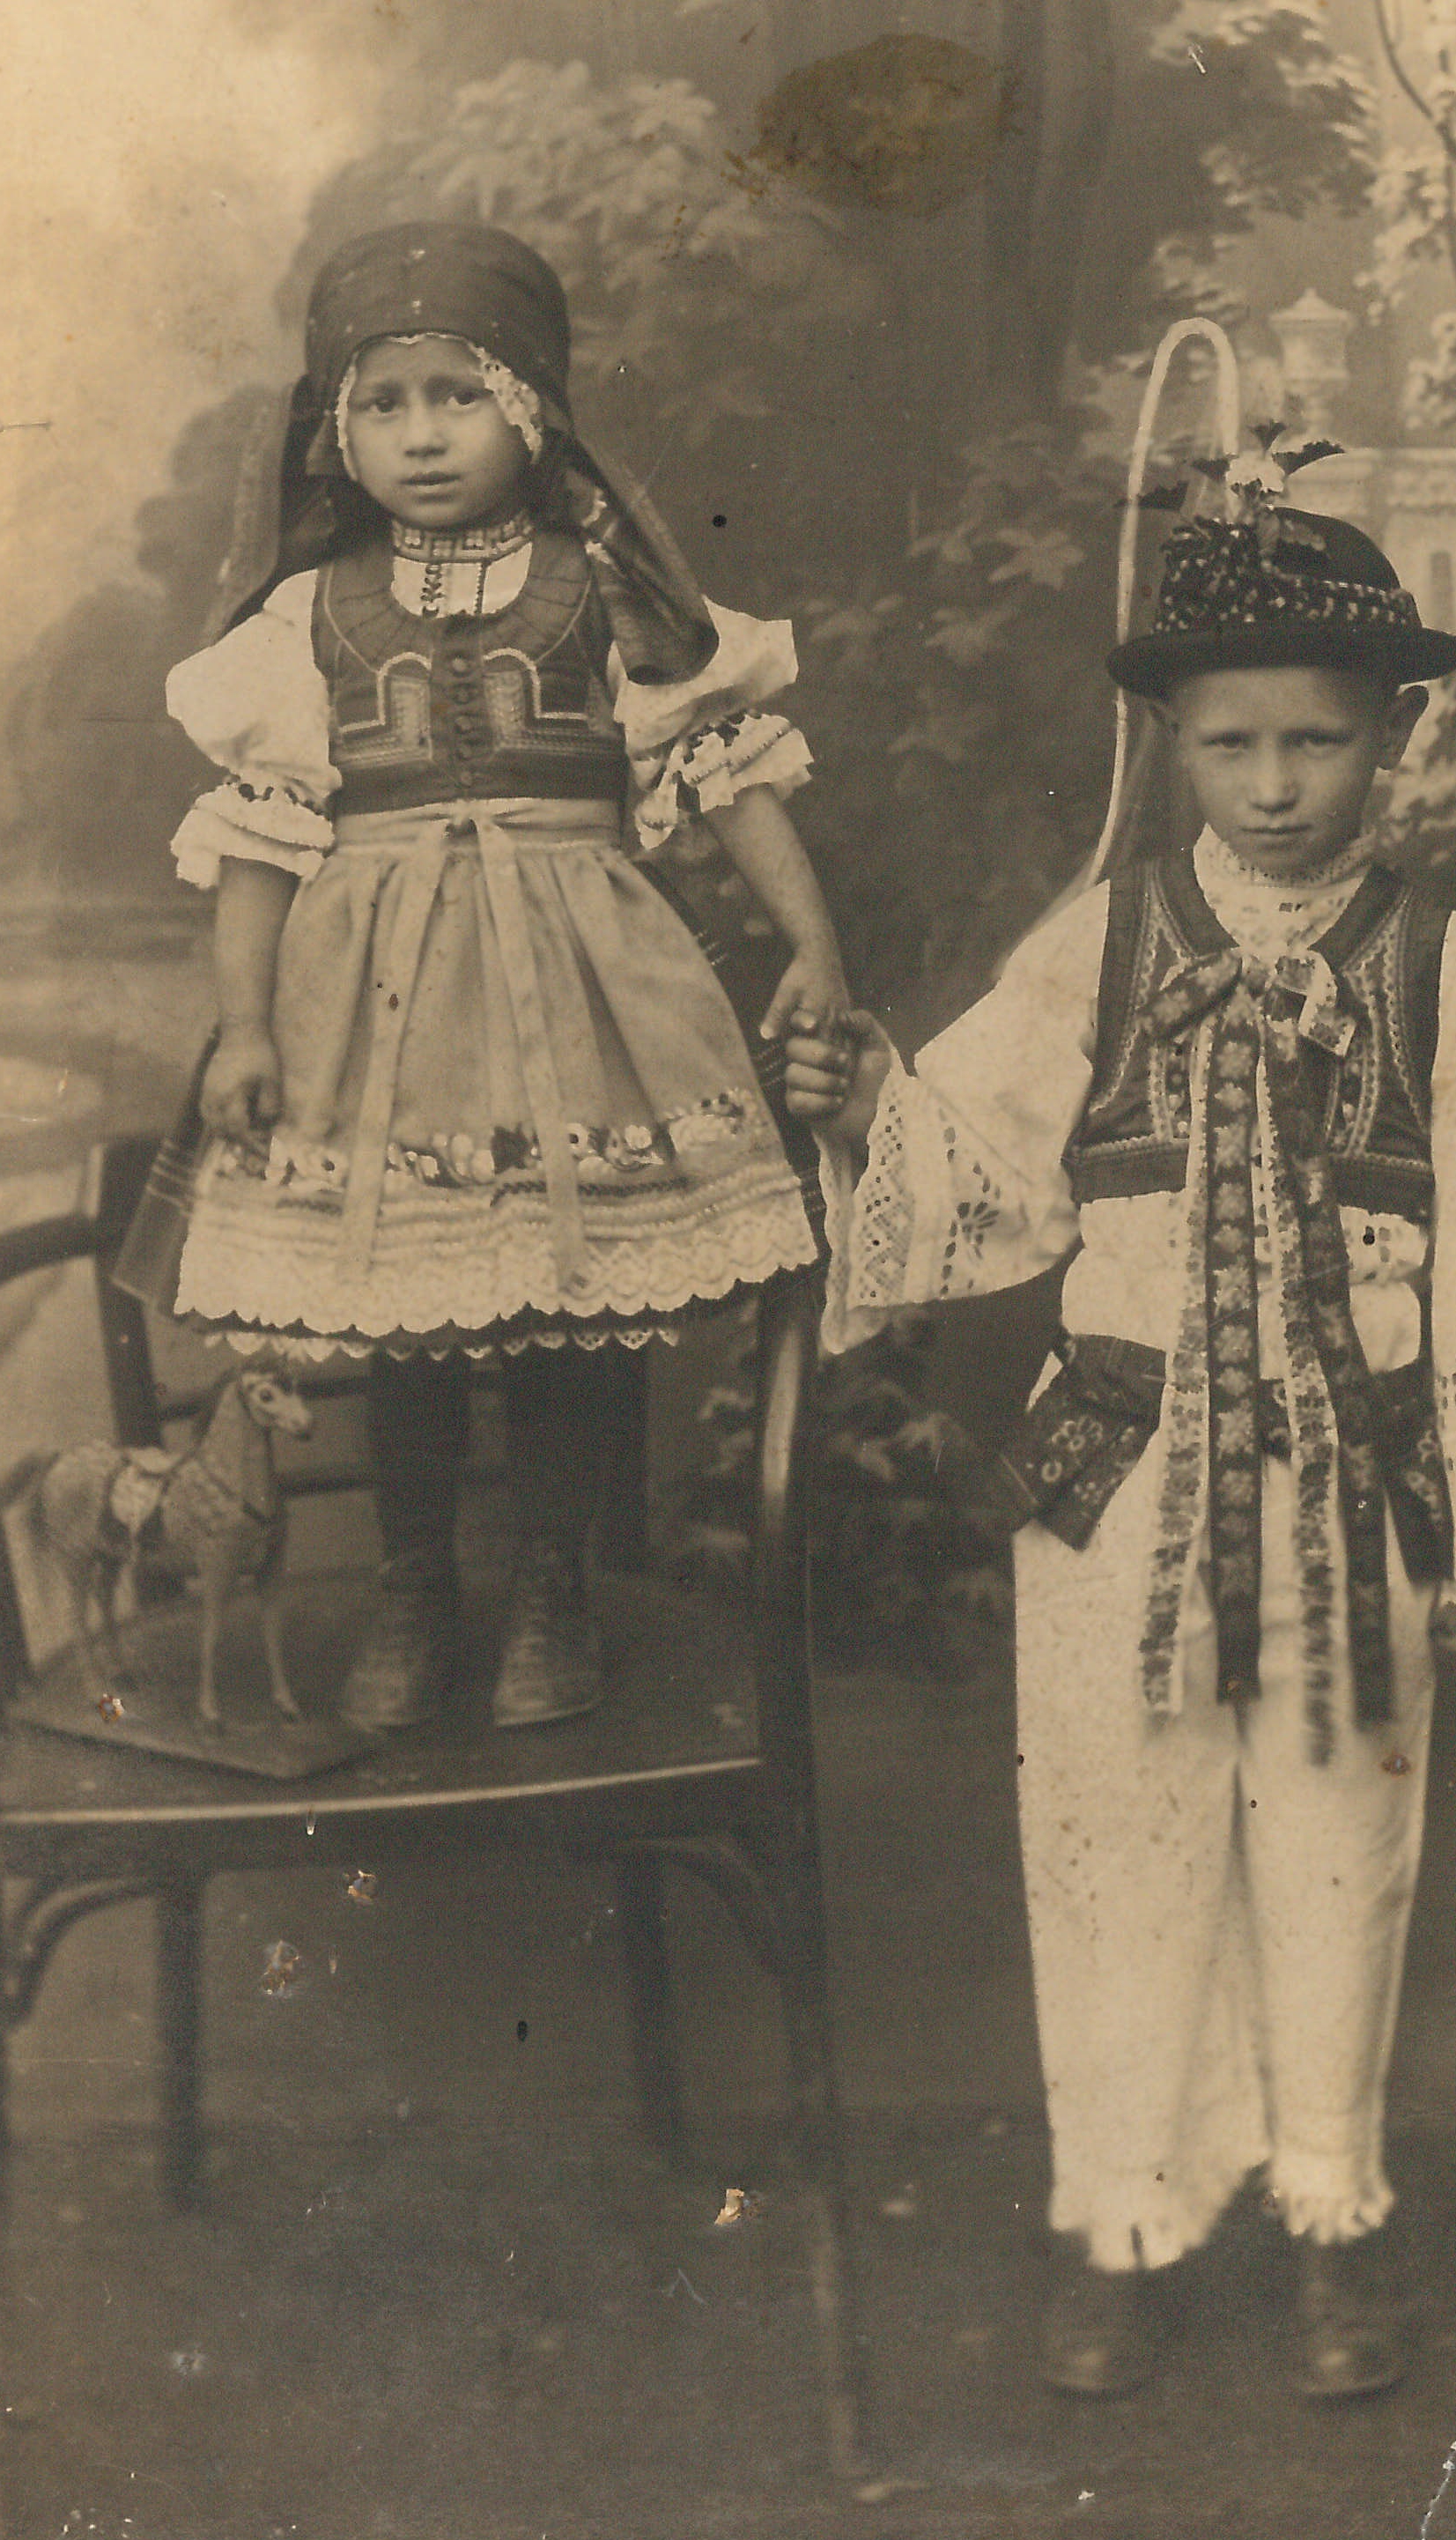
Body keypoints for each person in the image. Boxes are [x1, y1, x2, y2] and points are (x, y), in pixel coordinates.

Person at [784, 497, 1456, 2401]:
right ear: (1170, 738)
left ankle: (1332, 2206)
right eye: (1230, 741)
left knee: (1341, 1847)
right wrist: (864, 1110)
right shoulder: (1100, 945)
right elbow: (974, 1168)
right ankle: (1128, 2214)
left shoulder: (1443, 967)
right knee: (1116, 1846)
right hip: (1117, 1485)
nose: (1272, 784)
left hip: (1357, 1498)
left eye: (1315, 739)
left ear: (1392, 733)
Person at [152, 220, 846, 1733]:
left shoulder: (607, 591)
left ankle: (551, 1588)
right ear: (339, 434)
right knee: (405, 1319)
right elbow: (260, 842)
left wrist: (814, 945)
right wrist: (247, 1026)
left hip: (583, 998)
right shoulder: (306, 615)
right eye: (385, 403)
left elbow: (728, 777)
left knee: (571, 1315)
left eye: (458, 396)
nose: (423, 435)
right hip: (375, 1014)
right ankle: (415, 1590)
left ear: (529, 409)